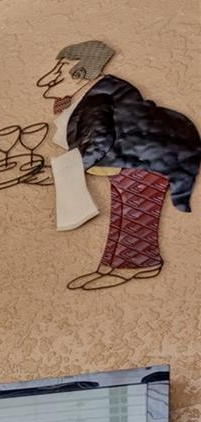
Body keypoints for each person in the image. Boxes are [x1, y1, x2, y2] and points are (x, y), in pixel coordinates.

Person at [36, 40, 200, 290]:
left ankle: (136, 264)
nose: (56, 74)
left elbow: (99, 141)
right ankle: (112, 264)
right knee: (123, 210)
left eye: (63, 67)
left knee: (136, 210)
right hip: (134, 159)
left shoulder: (100, 97)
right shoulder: (98, 92)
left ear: (81, 71)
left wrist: (69, 170)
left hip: (150, 158)